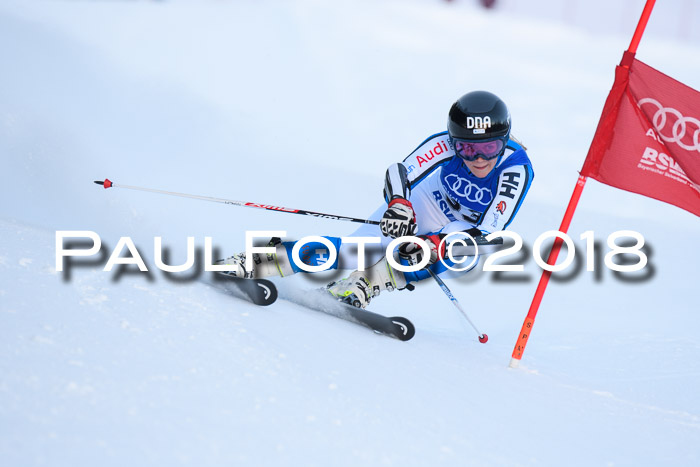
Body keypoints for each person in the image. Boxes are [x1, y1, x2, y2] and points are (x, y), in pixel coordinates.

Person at [217, 91, 534, 308]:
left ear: (503, 141)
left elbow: (493, 230)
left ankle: (365, 283)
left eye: (489, 149)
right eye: (467, 149)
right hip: (430, 200)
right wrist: (399, 203)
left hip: (465, 227)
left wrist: (438, 243)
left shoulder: (515, 168)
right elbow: (401, 171)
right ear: (454, 141)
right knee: (355, 251)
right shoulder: (444, 143)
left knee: (456, 253)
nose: (478, 158)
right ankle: (261, 261)